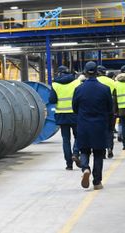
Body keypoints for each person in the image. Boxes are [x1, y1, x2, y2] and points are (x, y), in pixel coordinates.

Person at [73, 61, 113, 190]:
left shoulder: (79, 89)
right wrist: (110, 128)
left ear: (84, 72)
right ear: (97, 72)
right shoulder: (105, 89)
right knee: (98, 153)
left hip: (84, 125)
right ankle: (97, 182)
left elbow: (75, 108)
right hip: (100, 126)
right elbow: (110, 109)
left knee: (84, 150)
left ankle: (85, 168)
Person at [49, 66, 81, 170]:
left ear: (58, 73)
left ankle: (69, 164)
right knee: (78, 136)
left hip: (62, 115)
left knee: (66, 140)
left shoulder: (55, 84)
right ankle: (76, 153)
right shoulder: (76, 82)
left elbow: (52, 100)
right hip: (75, 114)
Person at [96, 65, 116, 158]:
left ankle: (102, 151)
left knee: (100, 131)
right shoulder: (112, 81)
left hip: (98, 110)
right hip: (110, 110)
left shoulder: (96, 81)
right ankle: (110, 148)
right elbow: (115, 96)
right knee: (109, 130)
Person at [115, 65, 125, 150]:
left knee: (122, 124)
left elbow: (114, 98)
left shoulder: (116, 83)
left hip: (121, 108)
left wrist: (115, 110)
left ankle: (124, 143)